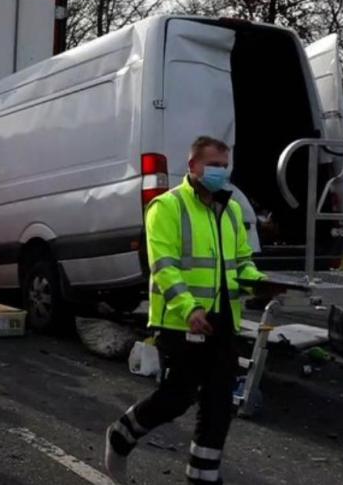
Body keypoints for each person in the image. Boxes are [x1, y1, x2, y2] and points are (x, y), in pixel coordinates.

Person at [103, 136, 268, 485]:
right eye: (213, 165)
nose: (220, 172)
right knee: (177, 397)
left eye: (225, 166)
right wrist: (188, 308)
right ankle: (121, 435)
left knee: (219, 404)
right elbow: (163, 265)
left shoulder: (231, 210)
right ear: (192, 165)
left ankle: (202, 478)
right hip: (183, 322)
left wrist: (260, 282)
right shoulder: (167, 207)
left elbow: (242, 261)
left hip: (223, 321)